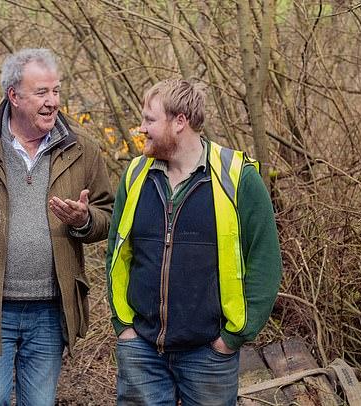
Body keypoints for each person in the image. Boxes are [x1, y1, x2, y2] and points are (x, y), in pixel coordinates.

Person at [0, 48, 113, 406]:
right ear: (14, 96)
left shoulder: (82, 150)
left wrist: (84, 220)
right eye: (42, 93)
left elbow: (107, 214)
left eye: (56, 91)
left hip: (50, 309)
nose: (52, 102)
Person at [106, 79, 282, 406]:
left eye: (149, 119)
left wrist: (232, 338)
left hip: (208, 355)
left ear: (180, 122)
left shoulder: (237, 179)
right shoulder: (134, 176)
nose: (141, 128)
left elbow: (265, 262)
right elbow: (117, 254)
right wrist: (124, 327)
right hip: (141, 350)